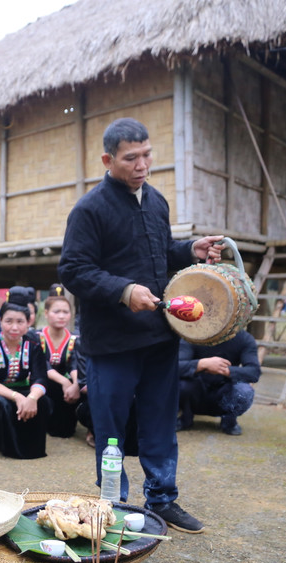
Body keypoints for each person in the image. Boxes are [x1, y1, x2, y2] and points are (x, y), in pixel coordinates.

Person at [58, 117, 223, 534]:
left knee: (160, 423)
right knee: (110, 431)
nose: (142, 165)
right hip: (111, 343)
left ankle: (163, 499)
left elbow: (160, 254)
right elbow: (73, 270)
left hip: (158, 336)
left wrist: (190, 249)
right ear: (108, 160)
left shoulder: (157, 202)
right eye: (131, 158)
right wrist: (123, 290)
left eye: (147, 155)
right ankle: (113, 506)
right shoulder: (89, 209)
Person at [0, 301, 51, 458]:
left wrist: (32, 397)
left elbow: (40, 377)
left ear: (28, 323)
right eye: (9, 321)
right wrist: (17, 397)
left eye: (20, 322)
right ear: (0, 321)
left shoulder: (34, 343)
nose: (14, 327)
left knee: (43, 402)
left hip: (23, 390)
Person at [177, 330, 260, 436]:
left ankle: (229, 421)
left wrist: (224, 370)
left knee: (245, 392)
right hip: (195, 392)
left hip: (224, 394)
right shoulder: (192, 335)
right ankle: (186, 418)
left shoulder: (244, 338)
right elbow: (175, 367)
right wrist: (202, 364)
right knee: (178, 384)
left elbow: (254, 372)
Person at [39, 290, 83, 438]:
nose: (61, 316)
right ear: (46, 313)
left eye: (65, 312)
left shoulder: (74, 339)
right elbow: (41, 364)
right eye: (56, 311)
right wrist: (64, 381)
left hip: (66, 391)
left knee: (65, 431)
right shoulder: (36, 337)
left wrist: (75, 384)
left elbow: (75, 364)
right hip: (43, 386)